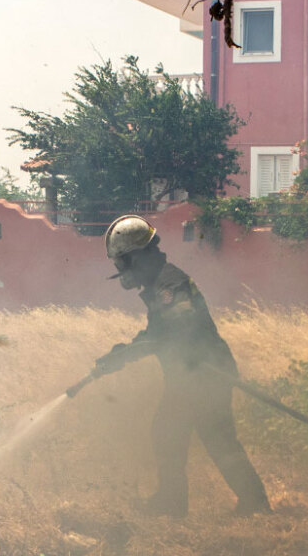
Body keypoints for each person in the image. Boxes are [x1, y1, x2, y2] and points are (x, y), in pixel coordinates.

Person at [90, 214, 271, 518]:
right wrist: (123, 353)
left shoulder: (168, 283)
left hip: (204, 372)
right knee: (170, 432)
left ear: (138, 256)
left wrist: (131, 352)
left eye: (123, 262)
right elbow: (158, 333)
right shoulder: (159, 282)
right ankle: (180, 501)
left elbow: (181, 327)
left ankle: (252, 504)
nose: (122, 271)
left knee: (215, 439)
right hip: (190, 376)